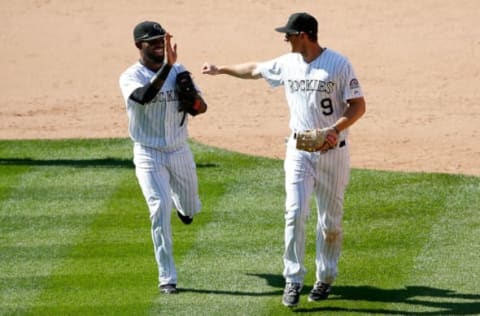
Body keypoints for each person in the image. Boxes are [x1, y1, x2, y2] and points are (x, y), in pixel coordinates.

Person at [202, 12, 365, 307]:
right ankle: (293, 279)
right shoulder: (287, 63)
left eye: (288, 34)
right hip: (300, 147)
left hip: (334, 151)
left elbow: (358, 106)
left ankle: (325, 277)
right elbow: (254, 69)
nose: (285, 38)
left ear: (303, 35)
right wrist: (221, 69)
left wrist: (334, 129)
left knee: (330, 224)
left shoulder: (339, 64)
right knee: (294, 212)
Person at [119, 20, 207, 294]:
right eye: (153, 42)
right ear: (139, 46)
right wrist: (168, 66)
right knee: (158, 209)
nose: (159, 45)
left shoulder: (180, 71)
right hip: (148, 153)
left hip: (179, 150)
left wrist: (191, 98)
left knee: (191, 208)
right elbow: (143, 97)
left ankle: (185, 208)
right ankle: (167, 277)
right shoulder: (130, 76)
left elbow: (201, 108)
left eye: (162, 40)